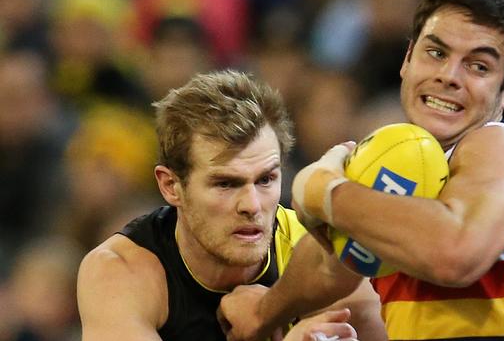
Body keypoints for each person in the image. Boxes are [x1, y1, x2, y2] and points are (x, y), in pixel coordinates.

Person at [219, 0, 504, 340]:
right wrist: (264, 312)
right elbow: (333, 266)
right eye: (436, 53)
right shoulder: (405, 157)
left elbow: (455, 254)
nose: (448, 76)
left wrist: (325, 191)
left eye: (478, 66)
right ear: (408, 59)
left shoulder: (500, 148)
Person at [76, 70, 386, 341]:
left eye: (265, 180)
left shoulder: (321, 258)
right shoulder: (121, 272)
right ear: (171, 186)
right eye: (225, 184)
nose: (252, 205)